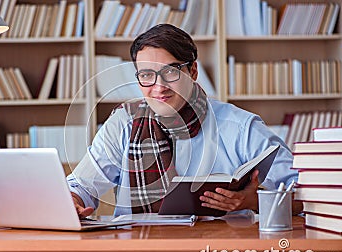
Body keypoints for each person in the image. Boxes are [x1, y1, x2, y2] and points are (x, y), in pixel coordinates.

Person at [67, 24, 302, 217]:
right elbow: (81, 186)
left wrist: (256, 201)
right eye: (147, 75)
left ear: (193, 72)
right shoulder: (122, 124)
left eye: (171, 72)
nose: (159, 87)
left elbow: (308, 194)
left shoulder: (241, 127)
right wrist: (72, 202)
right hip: (139, 250)